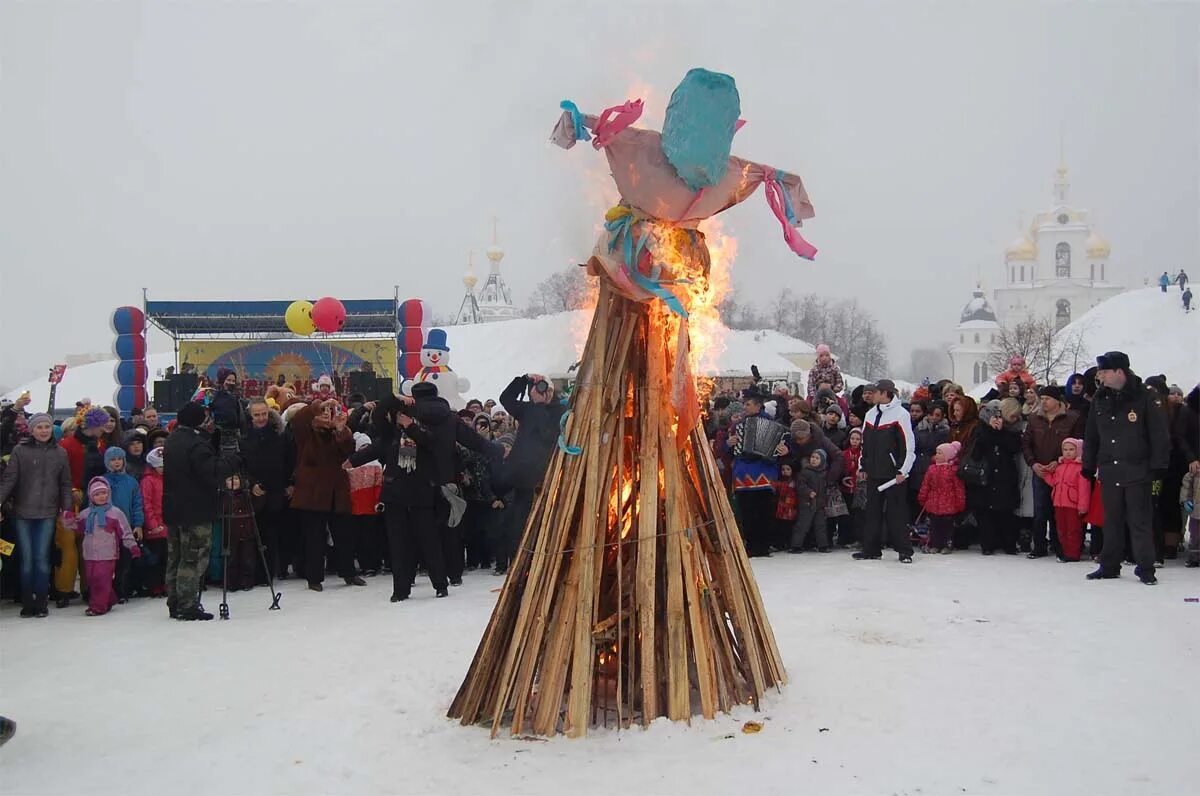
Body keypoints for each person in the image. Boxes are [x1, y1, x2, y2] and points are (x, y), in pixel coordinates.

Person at [1083, 351, 1171, 585]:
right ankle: (1109, 565)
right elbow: (1091, 435)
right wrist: (1088, 464)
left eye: (1104, 371)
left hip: (1137, 470)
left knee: (1139, 522)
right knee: (1111, 520)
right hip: (1110, 469)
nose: (1100, 375)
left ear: (1119, 372)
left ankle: (1145, 567)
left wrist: (1158, 466)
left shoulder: (1144, 397)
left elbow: (1159, 434)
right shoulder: (1101, 398)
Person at [350, 393, 449, 600]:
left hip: (421, 495)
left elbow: (430, 442)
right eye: (398, 414)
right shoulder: (390, 435)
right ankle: (401, 589)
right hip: (395, 496)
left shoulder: (425, 431)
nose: (400, 418)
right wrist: (394, 397)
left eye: (405, 415)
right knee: (398, 544)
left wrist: (411, 426)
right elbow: (377, 415)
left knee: (428, 541)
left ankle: (440, 583)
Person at [163, 401, 238, 620]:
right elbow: (212, 472)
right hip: (195, 510)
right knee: (193, 558)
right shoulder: (195, 444)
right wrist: (233, 461)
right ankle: (188, 605)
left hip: (175, 509)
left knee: (176, 557)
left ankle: (175, 601)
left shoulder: (173, 439)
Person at [0, 413, 73, 617]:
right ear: (32, 430)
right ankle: (27, 601)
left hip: (47, 513)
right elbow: (9, 480)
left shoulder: (60, 453)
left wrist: (66, 509)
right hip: (23, 512)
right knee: (27, 558)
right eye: (39, 427)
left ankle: (41, 601)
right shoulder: (20, 451)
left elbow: (65, 483)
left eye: (46, 427)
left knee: (41, 558)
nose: (43, 431)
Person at [290, 398, 363, 592]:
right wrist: (318, 404)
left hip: (336, 491)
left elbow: (348, 450)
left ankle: (349, 572)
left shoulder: (336, 432)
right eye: (322, 411)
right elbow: (299, 418)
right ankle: (314, 577)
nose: (325, 414)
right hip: (312, 493)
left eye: (328, 411)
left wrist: (340, 430)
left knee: (344, 535)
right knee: (314, 538)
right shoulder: (305, 432)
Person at [499, 373, 568, 551]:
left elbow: (547, 434)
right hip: (522, 475)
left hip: (543, 475)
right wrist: (523, 379)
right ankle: (516, 555)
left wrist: (538, 405)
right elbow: (505, 399)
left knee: (541, 517)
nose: (545, 392)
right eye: (541, 388)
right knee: (518, 519)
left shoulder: (559, 411)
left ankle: (537, 552)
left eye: (548, 389)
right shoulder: (528, 408)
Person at [854, 379, 916, 562]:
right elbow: (865, 443)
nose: (872, 395)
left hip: (893, 474)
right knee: (872, 512)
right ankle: (871, 549)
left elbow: (908, 445)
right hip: (874, 472)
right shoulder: (871, 414)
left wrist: (902, 471)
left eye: (876, 392)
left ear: (885, 393)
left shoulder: (901, 414)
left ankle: (904, 550)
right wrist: (862, 465)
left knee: (896, 513)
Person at [1021, 385, 1083, 558]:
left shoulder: (1072, 418)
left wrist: (1059, 461)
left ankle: (1060, 545)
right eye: (1042, 399)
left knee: (1060, 509)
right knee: (1040, 510)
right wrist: (1033, 464)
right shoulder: (1034, 419)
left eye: (1047, 399)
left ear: (1057, 401)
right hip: (1040, 470)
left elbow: (1077, 443)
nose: (1044, 402)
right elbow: (1026, 444)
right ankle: (1039, 545)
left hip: (1063, 471)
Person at [728, 393, 789, 557]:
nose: (745, 407)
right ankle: (751, 544)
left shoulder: (772, 424)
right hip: (743, 475)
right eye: (744, 404)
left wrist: (784, 450)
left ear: (757, 405)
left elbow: (783, 446)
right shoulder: (738, 425)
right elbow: (729, 450)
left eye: (748, 404)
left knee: (763, 511)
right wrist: (729, 444)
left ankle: (762, 545)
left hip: (764, 473)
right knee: (747, 512)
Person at [70, 478, 140, 616]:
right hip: (89, 553)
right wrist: (67, 519)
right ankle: (109, 598)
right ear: (91, 497)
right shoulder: (86, 514)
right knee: (91, 579)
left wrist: (132, 546)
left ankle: (97, 607)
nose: (101, 497)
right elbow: (76, 527)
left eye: (104, 493)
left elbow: (125, 531)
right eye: (97, 494)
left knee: (101, 578)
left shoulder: (115, 513)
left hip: (108, 553)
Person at [239, 398, 289, 581]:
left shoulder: (279, 435)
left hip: (276, 492)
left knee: (273, 534)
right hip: (253, 493)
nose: (261, 418)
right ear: (251, 416)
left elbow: (287, 462)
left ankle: (273, 571)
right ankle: (256, 572)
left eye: (264, 414)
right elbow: (242, 466)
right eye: (257, 415)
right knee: (254, 535)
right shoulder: (244, 439)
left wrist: (288, 483)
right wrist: (251, 483)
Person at [964, 400, 1021, 555]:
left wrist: (1000, 431)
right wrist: (990, 431)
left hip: (1004, 475)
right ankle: (987, 544)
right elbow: (976, 453)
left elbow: (1013, 447)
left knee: (1005, 511)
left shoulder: (1011, 431)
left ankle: (1008, 543)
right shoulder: (980, 430)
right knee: (984, 512)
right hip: (984, 476)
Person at [1037, 438, 1091, 562]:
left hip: (1073, 504)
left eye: (1071, 449)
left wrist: (1083, 506)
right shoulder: (1060, 467)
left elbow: (1084, 489)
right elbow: (1054, 482)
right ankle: (1064, 551)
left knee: (1073, 529)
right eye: (1065, 450)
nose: (1068, 452)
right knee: (1061, 529)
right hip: (1058, 503)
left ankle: (1073, 553)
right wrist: (1046, 475)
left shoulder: (1080, 468)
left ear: (1078, 451)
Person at [102, 447, 143, 601]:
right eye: (113, 460)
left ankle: (123, 589)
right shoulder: (103, 481)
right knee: (110, 561)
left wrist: (138, 524)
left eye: (119, 459)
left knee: (125, 561)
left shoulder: (131, 482)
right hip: (108, 528)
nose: (117, 462)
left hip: (127, 527)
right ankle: (109, 590)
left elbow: (137, 504)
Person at [917, 441, 965, 554]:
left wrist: (960, 502)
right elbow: (926, 485)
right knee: (934, 526)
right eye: (936, 453)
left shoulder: (953, 470)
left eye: (940, 453)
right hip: (933, 503)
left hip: (949, 504)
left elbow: (959, 488)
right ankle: (935, 544)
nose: (936, 455)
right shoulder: (931, 469)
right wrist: (922, 498)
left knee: (947, 527)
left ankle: (947, 544)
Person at [140, 447, 168, 597]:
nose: (162, 469)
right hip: (155, 527)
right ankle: (155, 585)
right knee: (155, 559)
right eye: (160, 467)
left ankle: (165, 584)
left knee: (166, 557)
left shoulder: (167, 479)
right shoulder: (148, 481)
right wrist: (152, 524)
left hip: (166, 524)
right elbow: (147, 504)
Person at [791, 450, 830, 552]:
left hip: (820, 503)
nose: (814, 460)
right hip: (807, 503)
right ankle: (796, 545)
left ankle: (823, 545)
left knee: (820, 525)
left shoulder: (824, 473)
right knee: (803, 524)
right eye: (812, 457)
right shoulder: (805, 471)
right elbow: (800, 485)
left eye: (817, 458)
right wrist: (808, 492)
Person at [773, 463, 799, 552]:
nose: (785, 472)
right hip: (781, 508)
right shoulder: (779, 482)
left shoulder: (795, 482)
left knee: (789, 527)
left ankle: (788, 543)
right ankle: (780, 543)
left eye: (788, 469)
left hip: (791, 508)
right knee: (781, 526)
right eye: (783, 469)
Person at [1182, 466, 1199, 567]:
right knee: (1195, 534)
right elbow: (1186, 485)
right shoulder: (1196, 470)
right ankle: (1194, 557)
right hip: (1196, 510)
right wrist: (1185, 500)